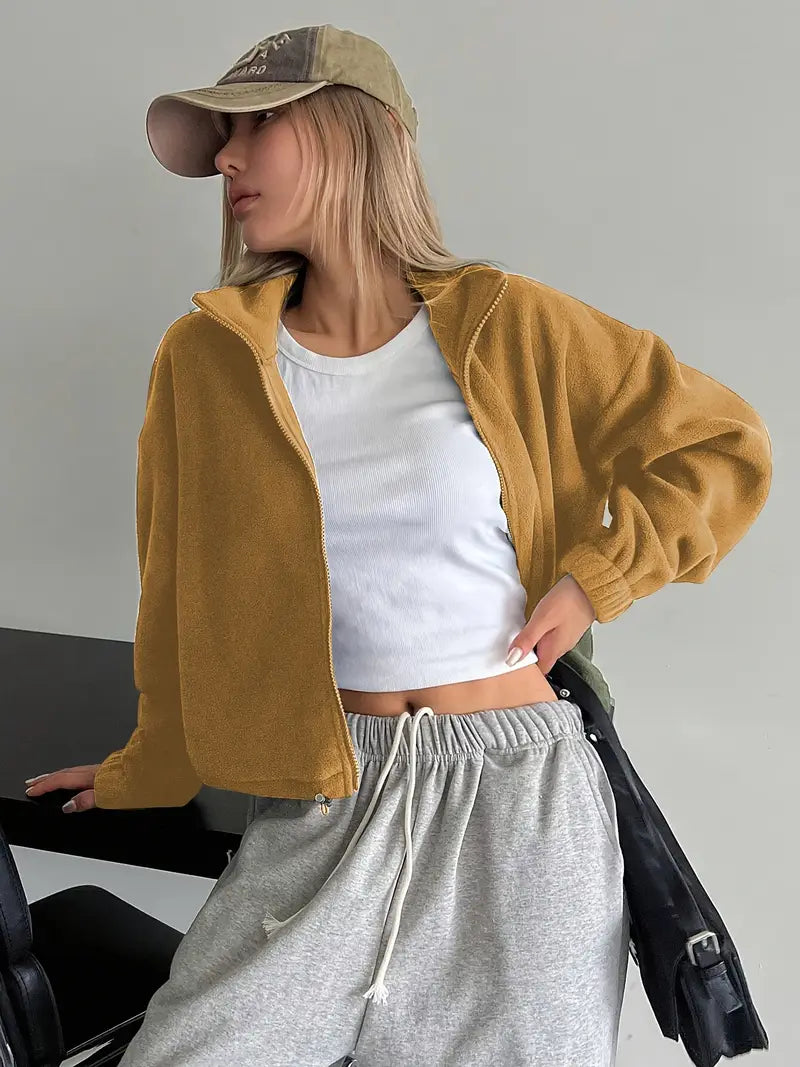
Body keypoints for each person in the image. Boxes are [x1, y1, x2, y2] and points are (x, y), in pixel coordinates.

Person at [23, 24, 772, 1067]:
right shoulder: (207, 356)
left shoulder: (511, 324)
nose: (227, 160)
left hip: (520, 798)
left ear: (352, 131)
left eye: (255, 127)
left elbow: (721, 444)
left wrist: (597, 578)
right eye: (223, 140)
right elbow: (176, 590)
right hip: (327, 796)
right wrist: (150, 765)